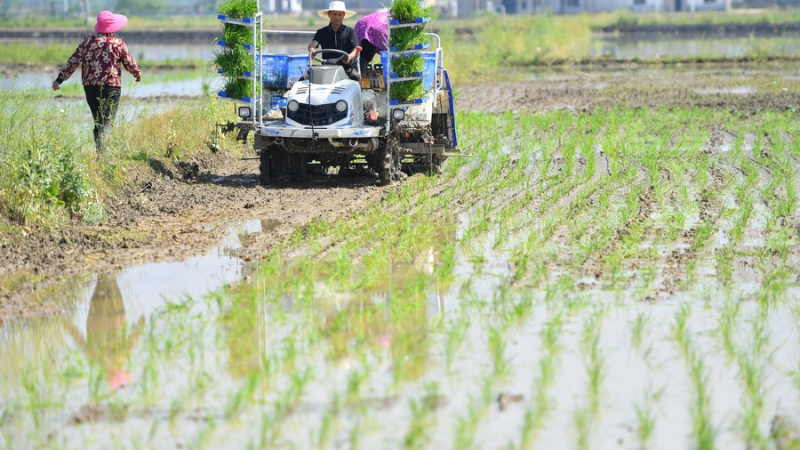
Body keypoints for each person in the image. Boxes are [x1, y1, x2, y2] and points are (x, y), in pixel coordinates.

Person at [52, 10, 141, 153]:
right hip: (111, 87)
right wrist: (137, 74)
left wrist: (59, 80)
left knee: (98, 121)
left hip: (90, 87)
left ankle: (99, 153)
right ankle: (102, 154)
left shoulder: (87, 42)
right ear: (113, 27)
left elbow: (73, 61)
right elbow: (129, 63)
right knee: (107, 121)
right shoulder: (117, 43)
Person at [308, 1, 361, 82]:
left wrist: (349, 57)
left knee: (356, 77)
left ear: (343, 16)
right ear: (329, 15)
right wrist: (312, 50)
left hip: (345, 67)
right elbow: (313, 44)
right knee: (304, 78)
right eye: (334, 14)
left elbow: (355, 49)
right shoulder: (321, 32)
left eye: (340, 15)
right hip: (325, 68)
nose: (337, 17)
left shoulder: (350, 31)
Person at [354, 9, 389, 77]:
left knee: (364, 56)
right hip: (378, 29)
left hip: (362, 25)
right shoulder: (396, 18)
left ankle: (358, 76)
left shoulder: (385, 14)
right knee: (389, 55)